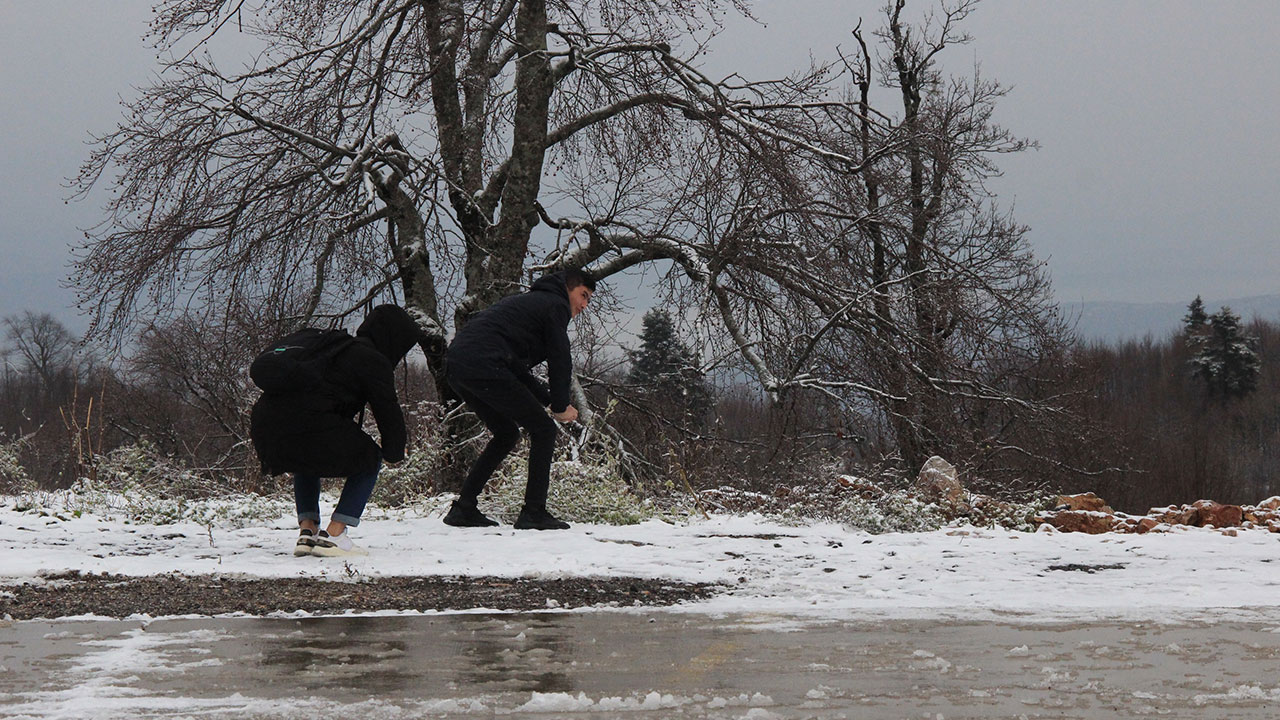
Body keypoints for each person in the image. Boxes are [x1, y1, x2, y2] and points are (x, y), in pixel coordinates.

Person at [250, 304, 423, 556]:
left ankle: (307, 532)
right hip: (309, 423)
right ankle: (335, 534)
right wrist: (393, 453)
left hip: (266, 424)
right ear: (394, 340)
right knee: (369, 458)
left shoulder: (332, 349)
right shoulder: (372, 360)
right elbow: (389, 413)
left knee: (306, 458)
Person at [443, 268, 595, 530]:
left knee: (506, 433)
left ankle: (463, 508)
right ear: (567, 288)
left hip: (457, 365)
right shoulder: (555, 305)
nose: (584, 305)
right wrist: (559, 406)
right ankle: (533, 512)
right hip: (484, 363)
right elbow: (560, 359)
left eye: (588, 300)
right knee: (544, 429)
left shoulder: (530, 305)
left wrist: (548, 401)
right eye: (583, 295)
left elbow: (515, 367)